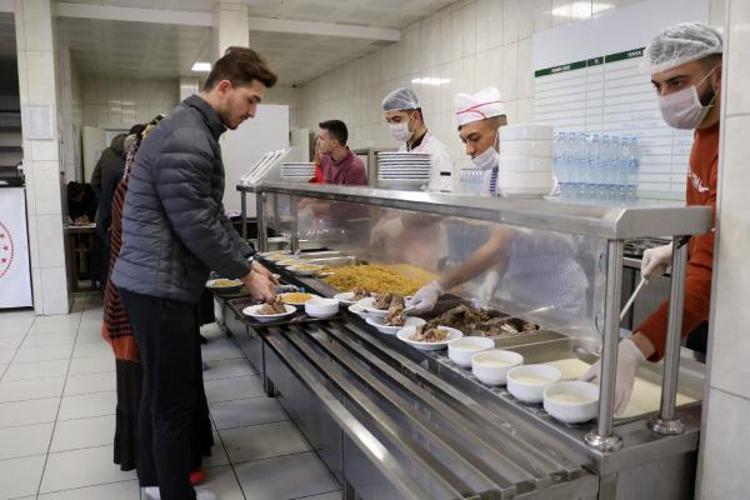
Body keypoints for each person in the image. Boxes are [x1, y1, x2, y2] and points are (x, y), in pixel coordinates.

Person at [111, 47, 279, 500]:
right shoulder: (189, 136)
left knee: (158, 391)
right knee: (175, 400)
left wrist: (249, 259)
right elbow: (197, 224)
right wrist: (245, 273)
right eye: (251, 100)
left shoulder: (191, 130)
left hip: (153, 284)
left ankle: (154, 481)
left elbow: (209, 213)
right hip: (160, 288)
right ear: (224, 87)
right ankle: (174, 493)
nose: (252, 112)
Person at [581, 23, 722, 414]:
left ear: (720, 74)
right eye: (657, 86)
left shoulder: (736, 144)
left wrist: (634, 349)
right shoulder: (703, 133)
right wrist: (679, 247)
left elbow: (713, 269)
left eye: (677, 82)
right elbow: (711, 223)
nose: (666, 97)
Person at [409, 87, 588, 317]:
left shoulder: (529, 179)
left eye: (475, 138)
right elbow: (504, 241)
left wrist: (439, 285)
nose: (469, 150)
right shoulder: (491, 178)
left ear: (502, 134)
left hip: (557, 296)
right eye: (464, 141)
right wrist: (493, 278)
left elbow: (498, 245)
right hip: (520, 293)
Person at [381, 87, 453, 192]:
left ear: (415, 117)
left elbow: (442, 198)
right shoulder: (402, 150)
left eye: (397, 119)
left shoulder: (438, 154)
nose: (392, 126)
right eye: (389, 121)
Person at [298, 120, 367, 216]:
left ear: (334, 143)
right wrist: (312, 200)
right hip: (333, 218)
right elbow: (328, 191)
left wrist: (314, 208)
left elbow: (348, 206)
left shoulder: (355, 167)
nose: (319, 143)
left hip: (353, 221)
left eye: (322, 139)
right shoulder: (325, 159)